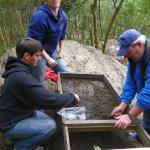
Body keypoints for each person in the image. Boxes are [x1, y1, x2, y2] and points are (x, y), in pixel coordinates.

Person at [0, 38, 80, 150]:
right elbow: (47, 99)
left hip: (21, 113)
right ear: (27, 56)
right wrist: (72, 97)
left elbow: (40, 94)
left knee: (45, 118)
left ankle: (23, 138)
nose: (40, 58)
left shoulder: (19, 70)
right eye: (37, 56)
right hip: (11, 124)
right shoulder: (21, 77)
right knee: (50, 126)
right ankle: (22, 146)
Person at [111, 29, 150, 134]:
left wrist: (129, 116)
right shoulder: (134, 60)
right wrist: (123, 105)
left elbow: (149, 92)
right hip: (148, 105)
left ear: (140, 45)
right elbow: (130, 84)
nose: (126, 56)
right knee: (146, 129)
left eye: (127, 52)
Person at [27, 0, 68, 84]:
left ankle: (68, 95)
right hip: (36, 52)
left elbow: (62, 35)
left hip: (51, 51)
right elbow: (34, 42)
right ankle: (36, 94)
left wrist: (60, 51)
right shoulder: (39, 16)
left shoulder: (63, 16)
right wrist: (48, 59)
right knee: (39, 80)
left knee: (65, 74)